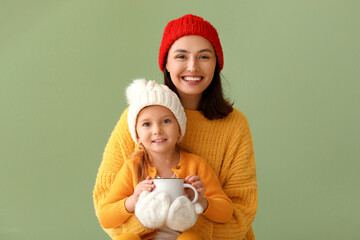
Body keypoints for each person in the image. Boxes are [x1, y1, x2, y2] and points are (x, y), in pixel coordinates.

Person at [93, 14, 257, 240]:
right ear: (166, 63)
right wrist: (149, 222)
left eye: (204, 56)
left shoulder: (235, 125)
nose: (193, 66)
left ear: (216, 64)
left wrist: (186, 228)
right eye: (181, 56)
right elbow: (106, 205)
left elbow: (241, 211)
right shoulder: (137, 116)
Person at [98, 79, 233, 240]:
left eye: (166, 121)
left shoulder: (196, 165)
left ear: (179, 130)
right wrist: (132, 200)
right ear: (138, 137)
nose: (157, 130)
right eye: (147, 124)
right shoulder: (132, 168)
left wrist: (202, 201)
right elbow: (105, 217)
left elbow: (226, 212)